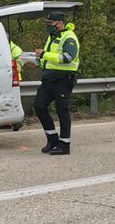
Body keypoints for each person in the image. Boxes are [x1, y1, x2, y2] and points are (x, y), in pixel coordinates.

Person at [33, 11, 80, 155]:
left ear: (60, 23)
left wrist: (43, 55)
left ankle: (64, 145)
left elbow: (67, 58)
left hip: (63, 79)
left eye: (50, 24)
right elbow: (50, 59)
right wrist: (38, 62)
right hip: (49, 79)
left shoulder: (69, 37)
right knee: (39, 106)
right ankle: (52, 139)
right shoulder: (52, 37)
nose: (48, 26)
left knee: (62, 111)